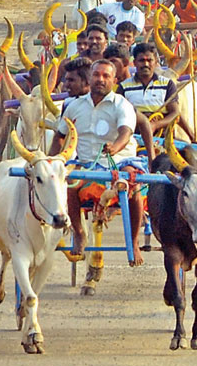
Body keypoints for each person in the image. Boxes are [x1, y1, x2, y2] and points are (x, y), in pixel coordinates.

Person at [48, 60, 144, 265]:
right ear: (89, 78)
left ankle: (134, 241)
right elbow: (60, 135)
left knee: (132, 182)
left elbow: (126, 132)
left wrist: (116, 147)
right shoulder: (75, 106)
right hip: (87, 163)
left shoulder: (122, 104)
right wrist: (52, 161)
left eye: (106, 76)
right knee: (70, 183)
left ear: (115, 80)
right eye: (97, 75)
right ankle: (79, 233)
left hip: (119, 160)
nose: (100, 79)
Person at [117, 42, 194, 154]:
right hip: (133, 141)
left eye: (149, 60)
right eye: (142, 60)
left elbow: (175, 113)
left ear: (156, 62)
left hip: (163, 141)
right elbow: (118, 114)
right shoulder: (123, 86)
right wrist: (143, 123)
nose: (146, 64)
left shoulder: (167, 84)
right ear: (134, 63)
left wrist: (155, 125)